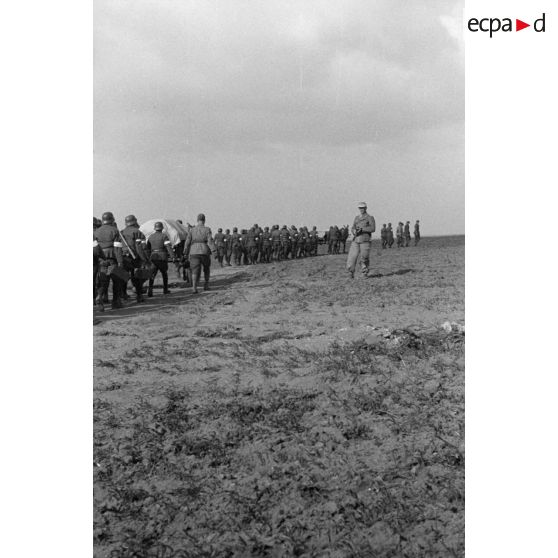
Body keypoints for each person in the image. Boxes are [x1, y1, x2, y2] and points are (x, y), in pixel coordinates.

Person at [94, 211, 125, 310]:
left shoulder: (96, 231)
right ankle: (116, 302)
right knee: (116, 280)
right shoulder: (115, 230)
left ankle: (100, 299)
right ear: (112, 220)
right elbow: (117, 248)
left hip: (101, 259)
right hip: (112, 258)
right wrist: (120, 262)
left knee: (103, 281)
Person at [184, 213, 216, 293]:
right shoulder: (207, 229)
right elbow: (210, 241)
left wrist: (185, 251)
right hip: (204, 251)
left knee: (194, 270)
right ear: (204, 220)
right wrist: (214, 250)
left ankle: (194, 288)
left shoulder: (192, 230)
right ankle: (206, 285)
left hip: (194, 251)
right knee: (206, 268)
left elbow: (187, 242)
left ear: (197, 220)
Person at [120, 215, 149, 303]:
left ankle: (123, 294)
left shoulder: (121, 232)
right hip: (135, 257)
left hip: (124, 257)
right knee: (137, 277)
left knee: (124, 276)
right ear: (135, 221)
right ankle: (139, 296)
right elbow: (140, 248)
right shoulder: (138, 232)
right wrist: (144, 259)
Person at [346, 202, 375, 278]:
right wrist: (354, 231)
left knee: (364, 257)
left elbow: (373, 228)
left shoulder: (370, 217)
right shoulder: (356, 218)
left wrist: (363, 230)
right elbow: (353, 227)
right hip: (355, 240)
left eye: (363, 208)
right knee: (352, 257)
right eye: (360, 208)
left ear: (366, 208)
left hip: (365, 240)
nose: (361, 209)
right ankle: (350, 273)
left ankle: (364, 273)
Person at [146, 221, 174, 297]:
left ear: (155, 228)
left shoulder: (150, 237)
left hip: (153, 257)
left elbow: (147, 248)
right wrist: (172, 256)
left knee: (152, 275)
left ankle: (150, 290)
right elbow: (168, 247)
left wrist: (148, 258)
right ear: (162, 228)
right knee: (164, 274)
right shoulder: (164, 236)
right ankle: (165, 290)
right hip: (162, 257)